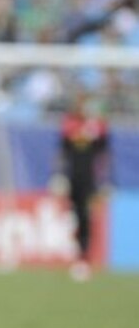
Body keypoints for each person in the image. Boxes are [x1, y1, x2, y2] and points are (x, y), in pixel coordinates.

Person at [56, 91, 110, 281]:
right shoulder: (70, 124)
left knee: (87, 217)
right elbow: (62, 152)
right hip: (73, 179)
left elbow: (104, 155)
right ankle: (77, 255)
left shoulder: (98, 126)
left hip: (90, 181)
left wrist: (105, 180)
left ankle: (84, 257)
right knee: (75, 217)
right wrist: (59, 175)